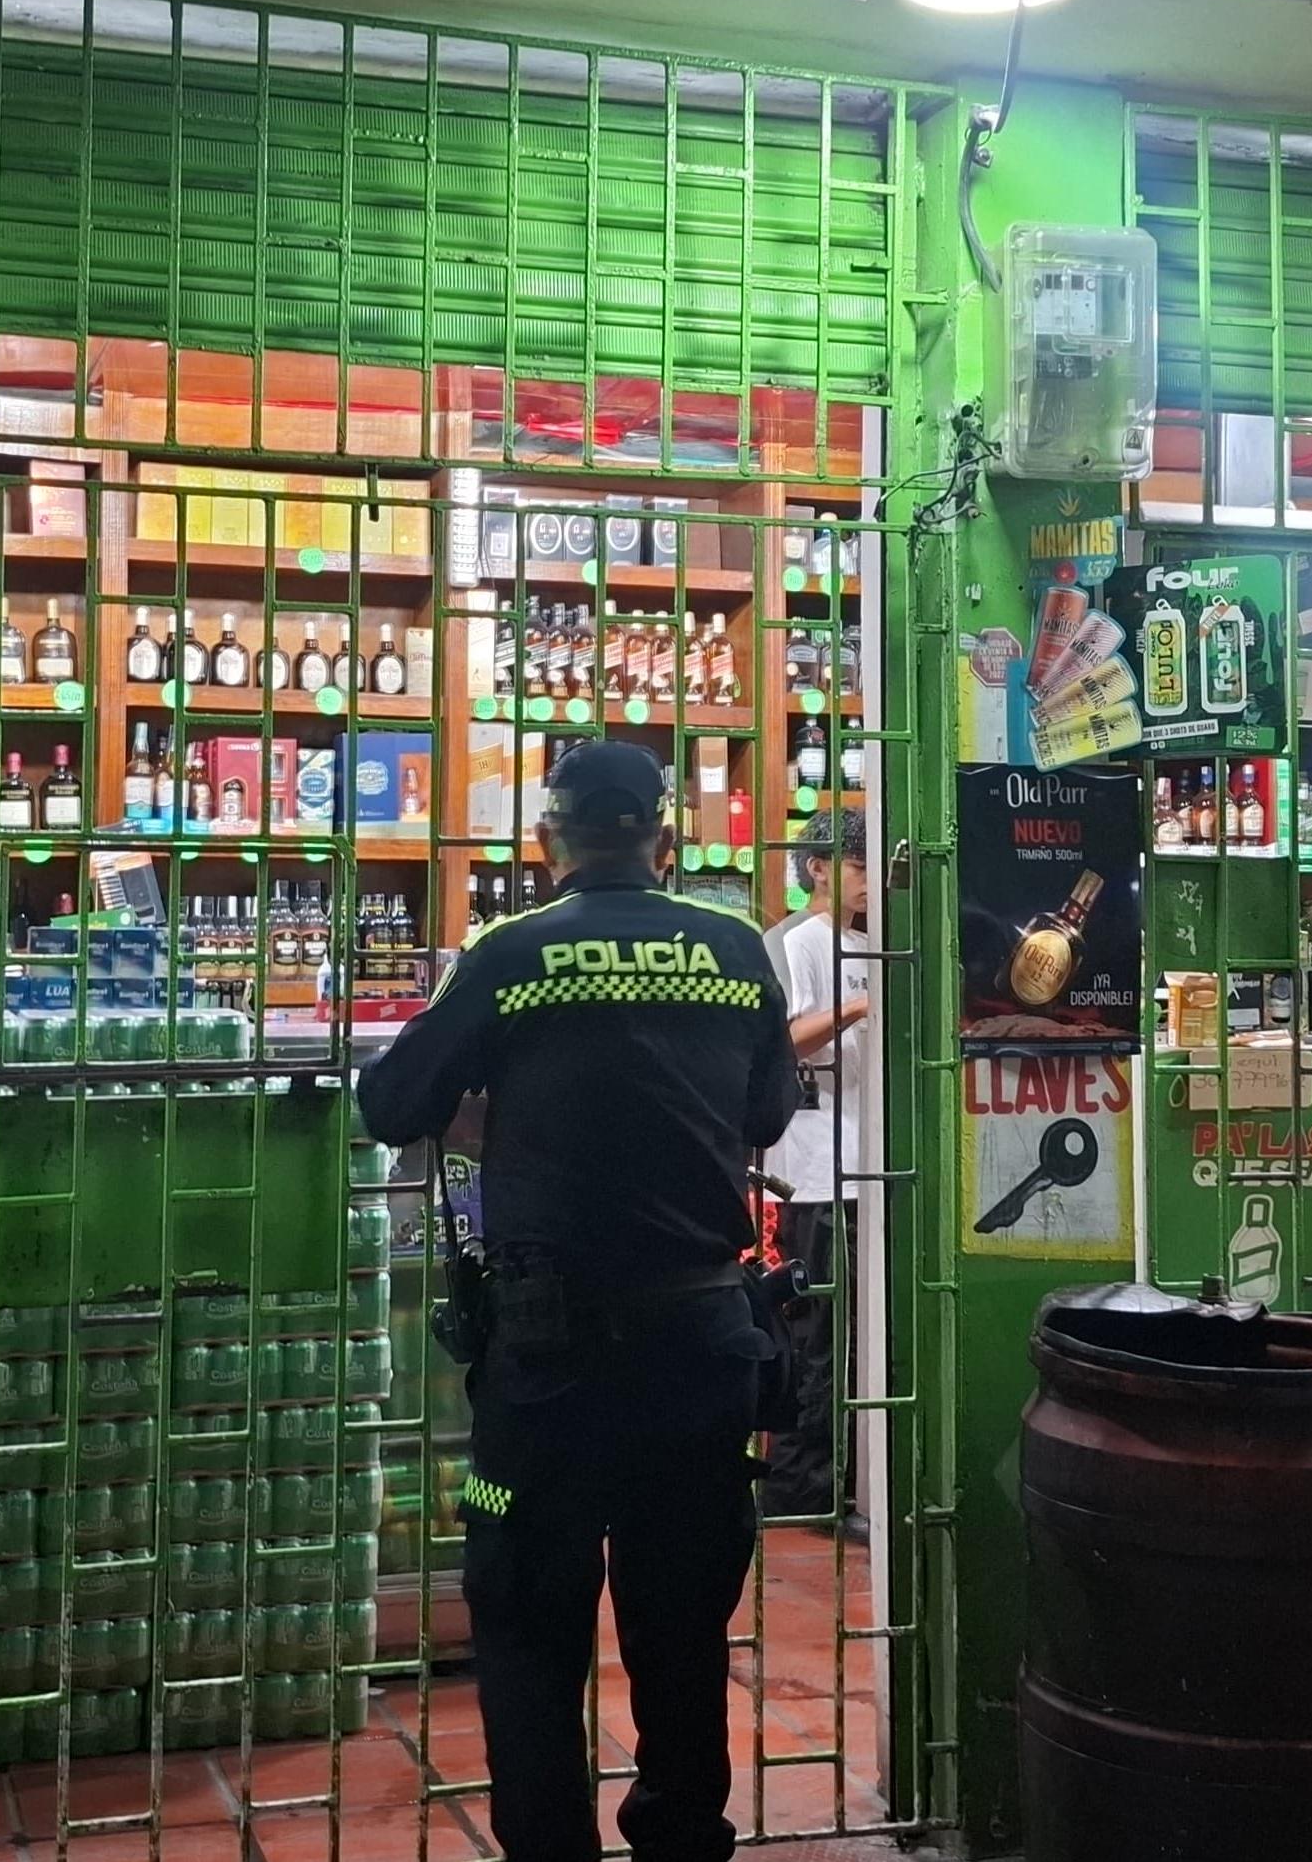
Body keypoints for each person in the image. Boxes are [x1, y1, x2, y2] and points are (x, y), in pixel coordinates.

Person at [357, 740, 797, 1862]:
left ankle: (550, 1845)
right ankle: (682, 1834)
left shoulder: (512, 951)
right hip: (701, 1334)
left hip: (549, 1355)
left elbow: (392, 1098)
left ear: (546, 840)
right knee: (683, 1619)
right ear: (666, 837)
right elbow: (761, 1116)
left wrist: (499, 1114)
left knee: (525, 1617)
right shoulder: (735, 946)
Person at [760, 810, 872, 1523]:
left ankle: (852, 1481)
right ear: (820, 869)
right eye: (857, 869)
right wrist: (860, 1003)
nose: (867, 885)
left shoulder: (869, 941)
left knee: (858, 1338)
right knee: (819, 1339)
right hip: (817, 1171)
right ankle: (800, 1490)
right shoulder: (799, 944)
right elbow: (784, 1041)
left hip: (868, 1164)